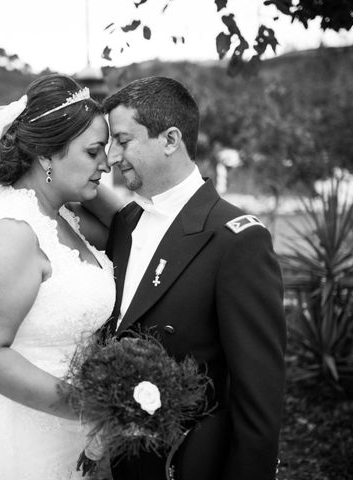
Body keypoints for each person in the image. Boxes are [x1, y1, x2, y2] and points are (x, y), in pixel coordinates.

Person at [102, 76, 286, 480]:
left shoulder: (238, 240)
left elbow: (259, 398)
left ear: (170, 139)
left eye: (123, 140)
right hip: (127, 461)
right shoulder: (125, 223)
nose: (112, 157)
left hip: (190, 464)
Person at [0, 74, 124, 480]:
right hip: (18, 435)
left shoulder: (63, 214)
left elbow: (127, 227)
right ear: (47, 156)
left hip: (62, 427)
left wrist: (82, 170)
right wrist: (91, 408)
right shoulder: (11, 233)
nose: (107, 163)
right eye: (94, 151)